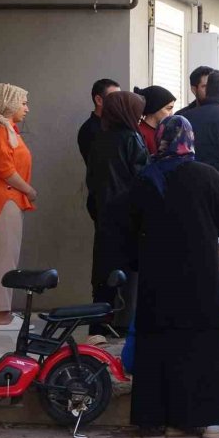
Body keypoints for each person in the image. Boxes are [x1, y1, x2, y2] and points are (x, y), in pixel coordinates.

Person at [128, 115, 219, 438]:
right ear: (189, 141)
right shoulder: (206, 175)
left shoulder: (146, 178)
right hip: (198, 276)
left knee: (161, 344)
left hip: (156, 277)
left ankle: (169, 419)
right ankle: (209, 422)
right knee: (202, 344)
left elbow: (132, 223)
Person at [86, 91, 148, 334]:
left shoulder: (99, 139)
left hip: (104, 217)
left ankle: (98, 326)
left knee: (104, 274)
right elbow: (142, 177)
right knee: (129, 274)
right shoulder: (132, 138)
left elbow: (92, 182)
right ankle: (123, 325)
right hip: (128, 217)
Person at [0, 83, 37, 331]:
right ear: (9, 103)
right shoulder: (0, 131)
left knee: (4, 257)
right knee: (5, 259)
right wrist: (29, 189)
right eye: (23, 103)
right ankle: (2, 316)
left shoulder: (6, 129)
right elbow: (5, 170)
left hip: (7, 200)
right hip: (6, 200)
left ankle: (2, 312)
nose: (27, 109)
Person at [77, 78, 120, 221]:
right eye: (114, 98)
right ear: (99, 100)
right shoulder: (90, 130)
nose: (119, 103)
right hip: (103, 198)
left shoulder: (114, 126)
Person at [134, 85, 176, 155]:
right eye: (168, 108)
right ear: (155, 108)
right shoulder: (140, 133)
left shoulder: (165, 131)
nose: (172, 113)